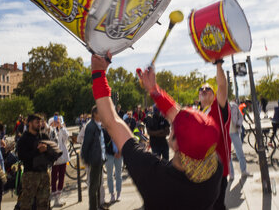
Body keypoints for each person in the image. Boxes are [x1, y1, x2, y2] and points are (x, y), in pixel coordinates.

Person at [92, 53, 222, 210]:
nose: (173, 119)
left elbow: (111, 122)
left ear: (174, 144)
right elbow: (184, 124)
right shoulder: (214, 170)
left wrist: (98, 73)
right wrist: (154, 90)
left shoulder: (154, 178)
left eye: (175, 126)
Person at [196, 61, 230, 210]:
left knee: (217, 206)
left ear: (213, 94)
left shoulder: (218, 107)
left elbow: (222, 86)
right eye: (201, 89)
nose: (204, 90)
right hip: (200, 170)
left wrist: (218, 65)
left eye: (208, 89)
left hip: (218, 170)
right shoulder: (196, 114)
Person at [16, 114, 51, 210]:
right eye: (37, 122)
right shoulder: (24, 139)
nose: (39, 124)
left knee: (44, 203)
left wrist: (48, 150)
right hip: (30, 175)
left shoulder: (44, 136)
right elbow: (22, 156)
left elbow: (52, 152)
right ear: (29, 123)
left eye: (40, 122)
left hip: (44, 173)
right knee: (27, 203)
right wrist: (37, 151)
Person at [81, 106, 108, 210]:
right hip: (95, 160)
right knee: (93, 186)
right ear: (95, 114)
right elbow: (86, 144)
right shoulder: (91, 126)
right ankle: (93, 207)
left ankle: (98, 205)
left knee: (98, 184)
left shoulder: (98, 125)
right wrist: (86, 159)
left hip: (100, 158)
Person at [49, 115, 70, 207]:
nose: (56, 123)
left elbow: (66, 138)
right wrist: (52, 128)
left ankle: (59, 196)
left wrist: (61, 127)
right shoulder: (50, 130)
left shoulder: (62, 130)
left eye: (58, 122)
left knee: (61, 176)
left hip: (63, 156)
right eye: (55, 122)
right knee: (54, 177)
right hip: (54, 157)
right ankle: (55, 198)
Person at [228, 101, 251, 179]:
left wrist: (238, 123)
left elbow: (240, 117)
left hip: (234, 132)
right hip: (225, 134)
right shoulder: (219, 108)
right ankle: (231, 174)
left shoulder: (233, 106)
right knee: (228, 155)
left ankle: (244, 171)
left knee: (240, 152)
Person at [103, 127, 122, 204]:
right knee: (109, 175)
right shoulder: (104, 130)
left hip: (119, 154)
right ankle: (112, 194)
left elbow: (123, 140)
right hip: (109, 155)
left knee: (118, 174)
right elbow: (104, 144)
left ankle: (118, 193)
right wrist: (113, 153)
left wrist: (120, 152)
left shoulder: (119, 128)